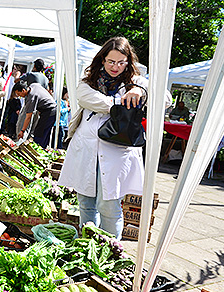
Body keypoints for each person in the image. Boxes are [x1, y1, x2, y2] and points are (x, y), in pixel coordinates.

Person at [57, 36, 171, 240]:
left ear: (128, 62)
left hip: (118, 151)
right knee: (85, 202)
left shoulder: (137, 82)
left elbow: (165, 99)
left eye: (120, 62)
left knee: (108, 205)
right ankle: (87, 245)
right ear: (102, 60)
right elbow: (89, 99)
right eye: (110, 61)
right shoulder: (88, 82)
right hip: (86, 148)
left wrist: (139, 91)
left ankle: (110, 250)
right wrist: (121, 103)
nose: (115, 67)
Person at [13, 80, 57, 148]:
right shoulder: (33, 85)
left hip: (50, 111)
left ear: (23, 90)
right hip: (50, 109)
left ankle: (39, 149)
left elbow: (28, 117)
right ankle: (42, 148)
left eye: (19, 94)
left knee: (40, 133)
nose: (19, 96)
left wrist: (22, 131)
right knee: (43, 132)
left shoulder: (31, 97)